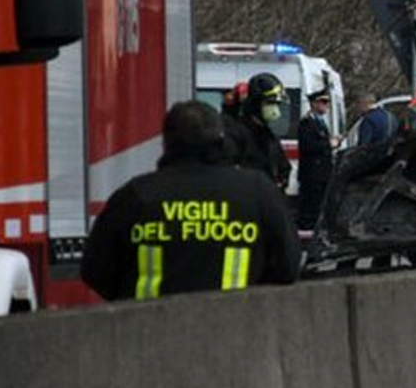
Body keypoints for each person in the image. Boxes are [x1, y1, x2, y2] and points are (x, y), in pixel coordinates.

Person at [81, 100, 300, 301]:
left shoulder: (137, 196)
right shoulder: (257, 192)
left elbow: (95, 269)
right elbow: (287, 266)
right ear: (221, 140)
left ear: (166, 143)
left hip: (149, 332)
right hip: (235, 329)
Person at [237, 73, 291, 189]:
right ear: (256, 104)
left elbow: (283, 166)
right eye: (270, 103)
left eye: (276, 104)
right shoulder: (240, 134)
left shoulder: (268, 134)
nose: (275, 110)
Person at [297, 88, 335, 230]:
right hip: (312, 173)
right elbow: (307, 146)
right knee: (310, 208)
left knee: (319, 207)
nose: (326, 105)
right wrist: (328, 144)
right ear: (313, 104)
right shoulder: (307, 123)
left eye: (327, 102)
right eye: (323, 102)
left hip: (322, 173)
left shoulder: (321, 123)